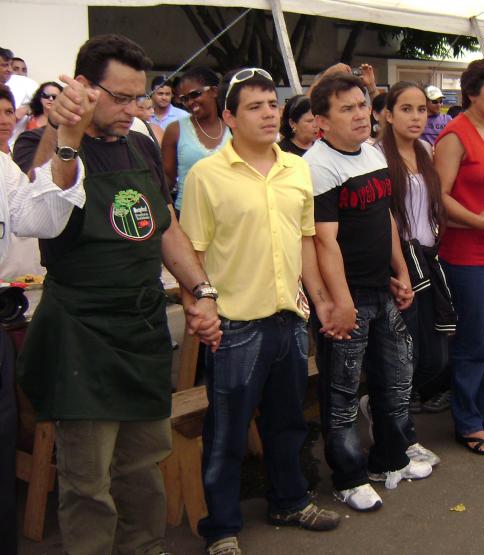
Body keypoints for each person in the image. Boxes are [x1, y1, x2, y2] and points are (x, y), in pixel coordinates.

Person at [13, 34, 221, 555]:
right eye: (122, 97)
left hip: (141, 326)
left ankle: (145, 548)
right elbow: (38, 208)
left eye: (141, 97)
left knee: (143, 466)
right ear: (83, 87)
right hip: (82, 333)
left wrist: (200, 288)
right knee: (88, 482)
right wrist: (65, 130)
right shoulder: (50, 144)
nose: (135, 108)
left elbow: (164, 223)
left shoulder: (143, 141)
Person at [181, 67, 342, 555]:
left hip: (289, 319)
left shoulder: (296, 169)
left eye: (272, 104)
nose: (270, 113)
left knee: (288, 421)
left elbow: (305, 242)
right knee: (227, 432)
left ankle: (289, 500)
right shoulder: (206, 175)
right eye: (254, 106)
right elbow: (193, 255)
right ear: (229, 117)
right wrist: (200, 310)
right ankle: (222, 527)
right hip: (234, 326)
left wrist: (320, 302)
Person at [305, 73, 431, 510]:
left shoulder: (372, 155)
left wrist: (400, 271)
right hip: (350, 296)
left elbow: (387, 220)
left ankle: (389, 459)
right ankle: (349, 476)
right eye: (346, 108)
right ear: (321, 120)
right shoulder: (316, 165)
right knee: (340, 394)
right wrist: (339, 302)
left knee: (395, 381)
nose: (360, 115)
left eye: (362, 105)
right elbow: (323, 242)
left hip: (384, 289)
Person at [0, 78, 91, 555]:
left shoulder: (4, 168)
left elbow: (39, 218)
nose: (3, 119)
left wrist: (65, 142)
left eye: (6, 111)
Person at [433, 58, 484, 455]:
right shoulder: (455, 134)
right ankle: (468, 419)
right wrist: (476, 222)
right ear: (471, 94)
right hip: (466, 253)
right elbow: (440, 197)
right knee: (471, 340)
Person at [375, 80, 453, 441]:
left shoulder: (425, 149)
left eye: (421, 109)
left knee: (434, 354)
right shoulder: (375, 154)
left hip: (429, 256)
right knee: (405, 351)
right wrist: (398, 267)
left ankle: (386, 409)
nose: (416, 116)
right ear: (388, 115)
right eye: (406, 109)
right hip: (398, 262)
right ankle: (396, 430)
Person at [161, 67, 230, 214]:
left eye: (195, 94)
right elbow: (167, 179)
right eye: (184, 99)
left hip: (228, 213)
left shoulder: (233, 128)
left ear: (213, 91)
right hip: (188, 214)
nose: (190, 102)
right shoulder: (175, 130)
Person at [0, 47, 37, 149]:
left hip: (13, 150)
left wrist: (28, 108)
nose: (9, 70)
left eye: (10, 65)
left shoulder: (22, 84)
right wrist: (15, 116)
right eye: (4, 65)